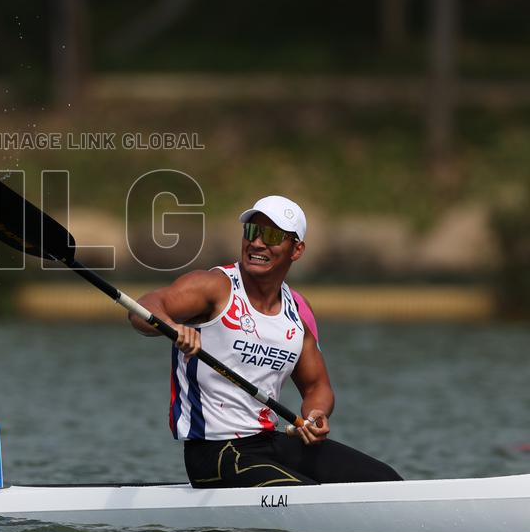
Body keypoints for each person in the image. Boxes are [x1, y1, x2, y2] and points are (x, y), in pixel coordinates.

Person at [128, 195, 401, 488]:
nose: (257, 243)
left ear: (297, 249)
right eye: (251, 231)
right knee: (303, 495)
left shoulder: (298, 310)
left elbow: (316, 387)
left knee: (386, 482)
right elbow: (143, 308)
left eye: (271, 236)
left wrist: (316, 414)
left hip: (267, 443)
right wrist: (172, 327)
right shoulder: (215, 287)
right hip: (213, 453)